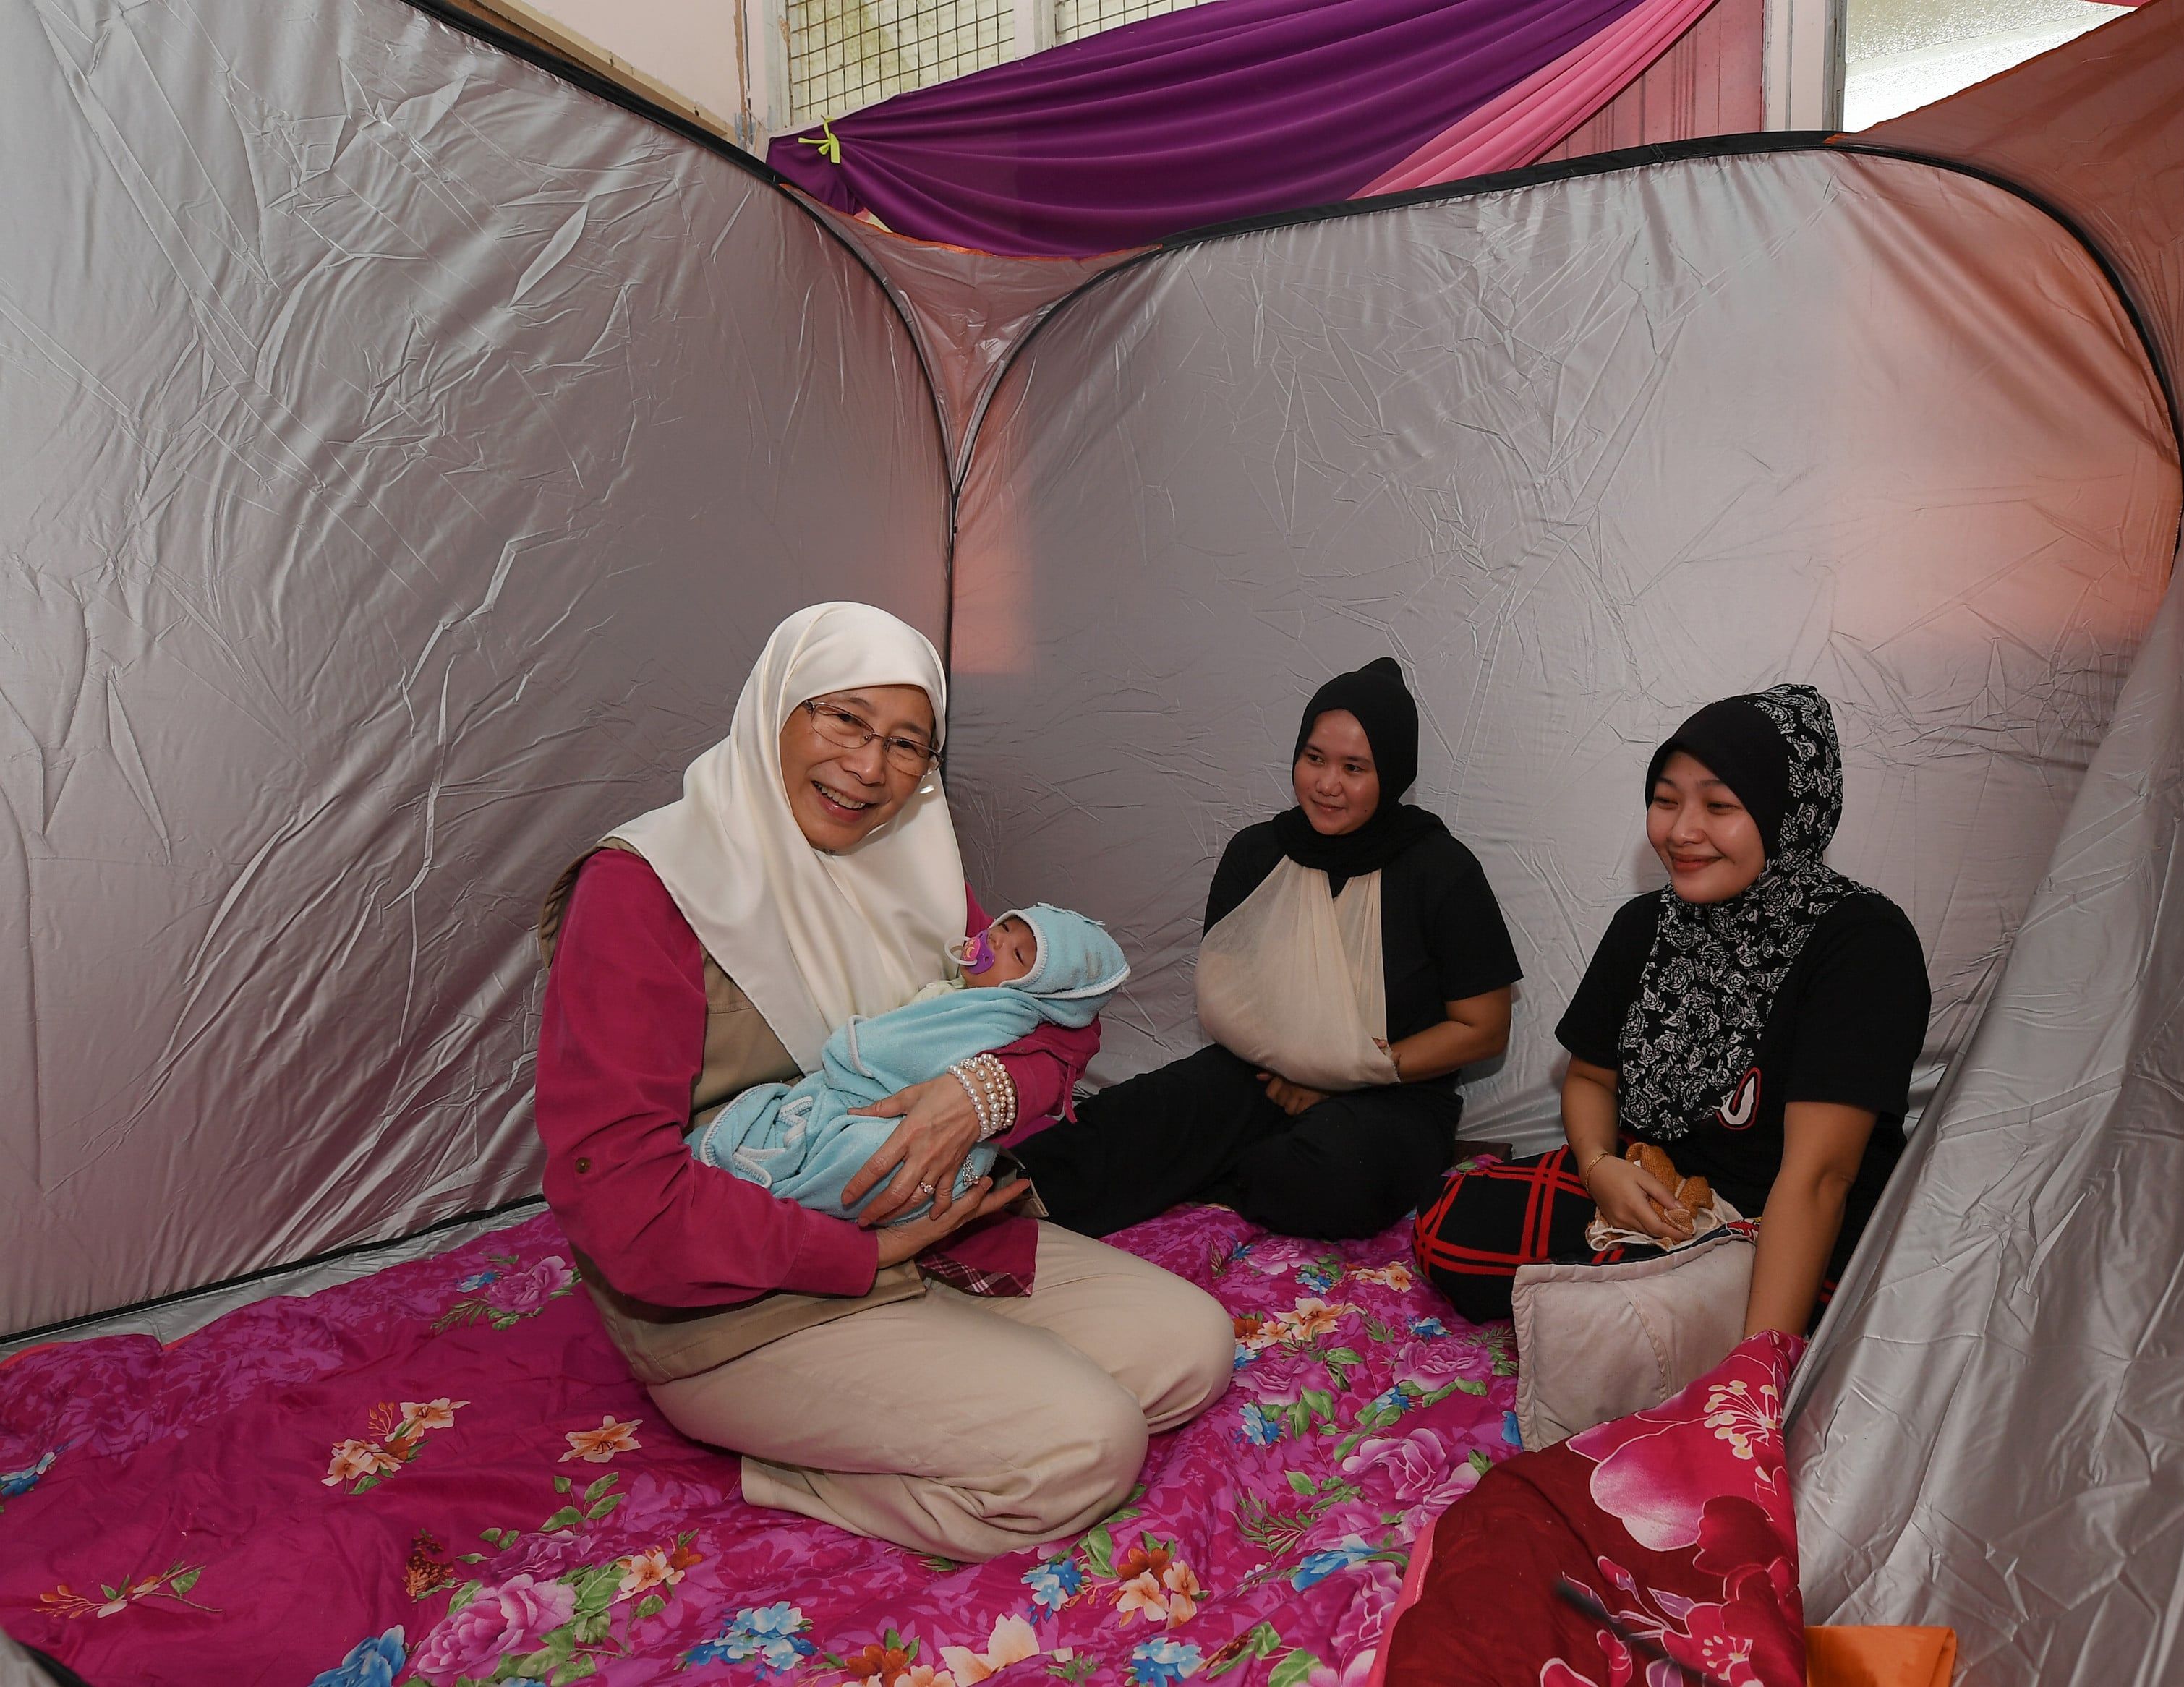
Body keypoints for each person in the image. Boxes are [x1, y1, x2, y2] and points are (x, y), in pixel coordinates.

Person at [534, 602, 1231, 1562]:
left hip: (930, 1232)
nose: (871, 769)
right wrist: (865, 1254)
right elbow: (621, 1202)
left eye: (908, 744)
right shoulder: (645, 889)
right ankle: (785, 1473)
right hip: (735, 1292)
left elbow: (1059, 1014)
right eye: (844, 719)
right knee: (1087, 1447)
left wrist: (980, 1094)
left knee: (1193, 1349)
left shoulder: (914, 867)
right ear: (776, 707)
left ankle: (948, 1359)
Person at [1412, 684, 1930, 1333]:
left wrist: (1752, 1374)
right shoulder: (1645, 925)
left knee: (1632, 1321)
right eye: (1665, 800)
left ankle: (1689, 1324)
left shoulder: (1861, 943)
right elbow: (1590, 1078)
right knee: (1451, 1229)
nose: (1681, 831)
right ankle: (1627, 1305)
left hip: (1780, 1222)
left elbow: (1819, 1179)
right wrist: (1600, 1170)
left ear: (1786, 814)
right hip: (1654, 1190)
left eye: (1719, 804)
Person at [1018, 657, 1522, 1240]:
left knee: (1330, 1176)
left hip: (1397, 1095)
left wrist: (1342, 1073)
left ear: (1393, 772)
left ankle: (1224, 1169)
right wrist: (1296, 1069)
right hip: (1259, 1076)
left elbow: (1483, 1029)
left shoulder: (1440, 870)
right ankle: (987, 1201)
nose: (1327, 784)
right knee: (1134, 1114)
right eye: (1314, 758)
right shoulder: (1258, 855)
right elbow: (1234, 996)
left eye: (1354, 767)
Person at [691, 905, 1130, 1224]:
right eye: (1005, 926)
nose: (996, 939)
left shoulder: (996, 1009)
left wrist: (855, 1047)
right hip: (877, 1110)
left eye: (1019, 955)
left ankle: (780, 1194)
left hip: (901, 1119)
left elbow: (896, 1051)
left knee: (866, 1156)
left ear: (1039, 991)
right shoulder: (968, 987)